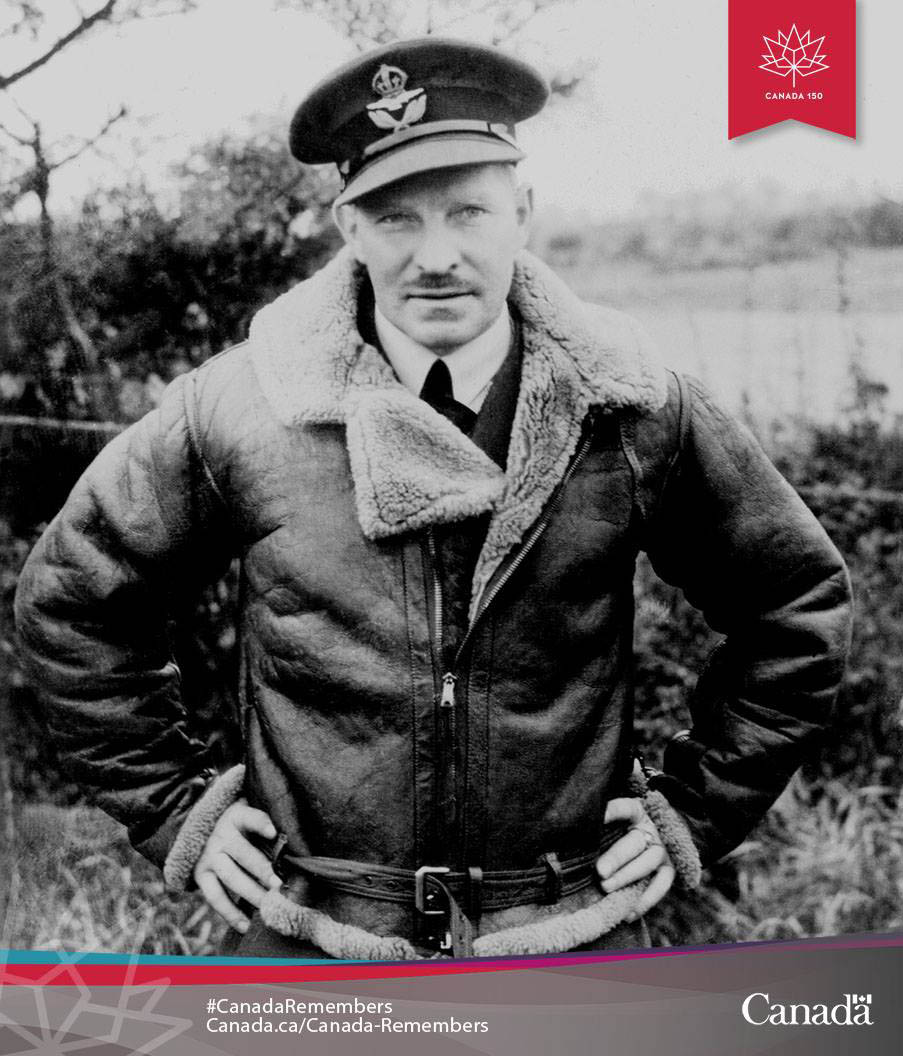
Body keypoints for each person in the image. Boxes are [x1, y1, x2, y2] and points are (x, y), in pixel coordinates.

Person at [14, 38, 852, 960]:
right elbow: (72, 600)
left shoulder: (636, 404)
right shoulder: (242, 405)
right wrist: (176, 811)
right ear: (349, 228)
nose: (437, 256)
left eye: (468, 210)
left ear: (522, 213)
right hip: (314, 934)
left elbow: (794, 605)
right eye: (396, 217)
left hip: (566, 932)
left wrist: (695, 808)